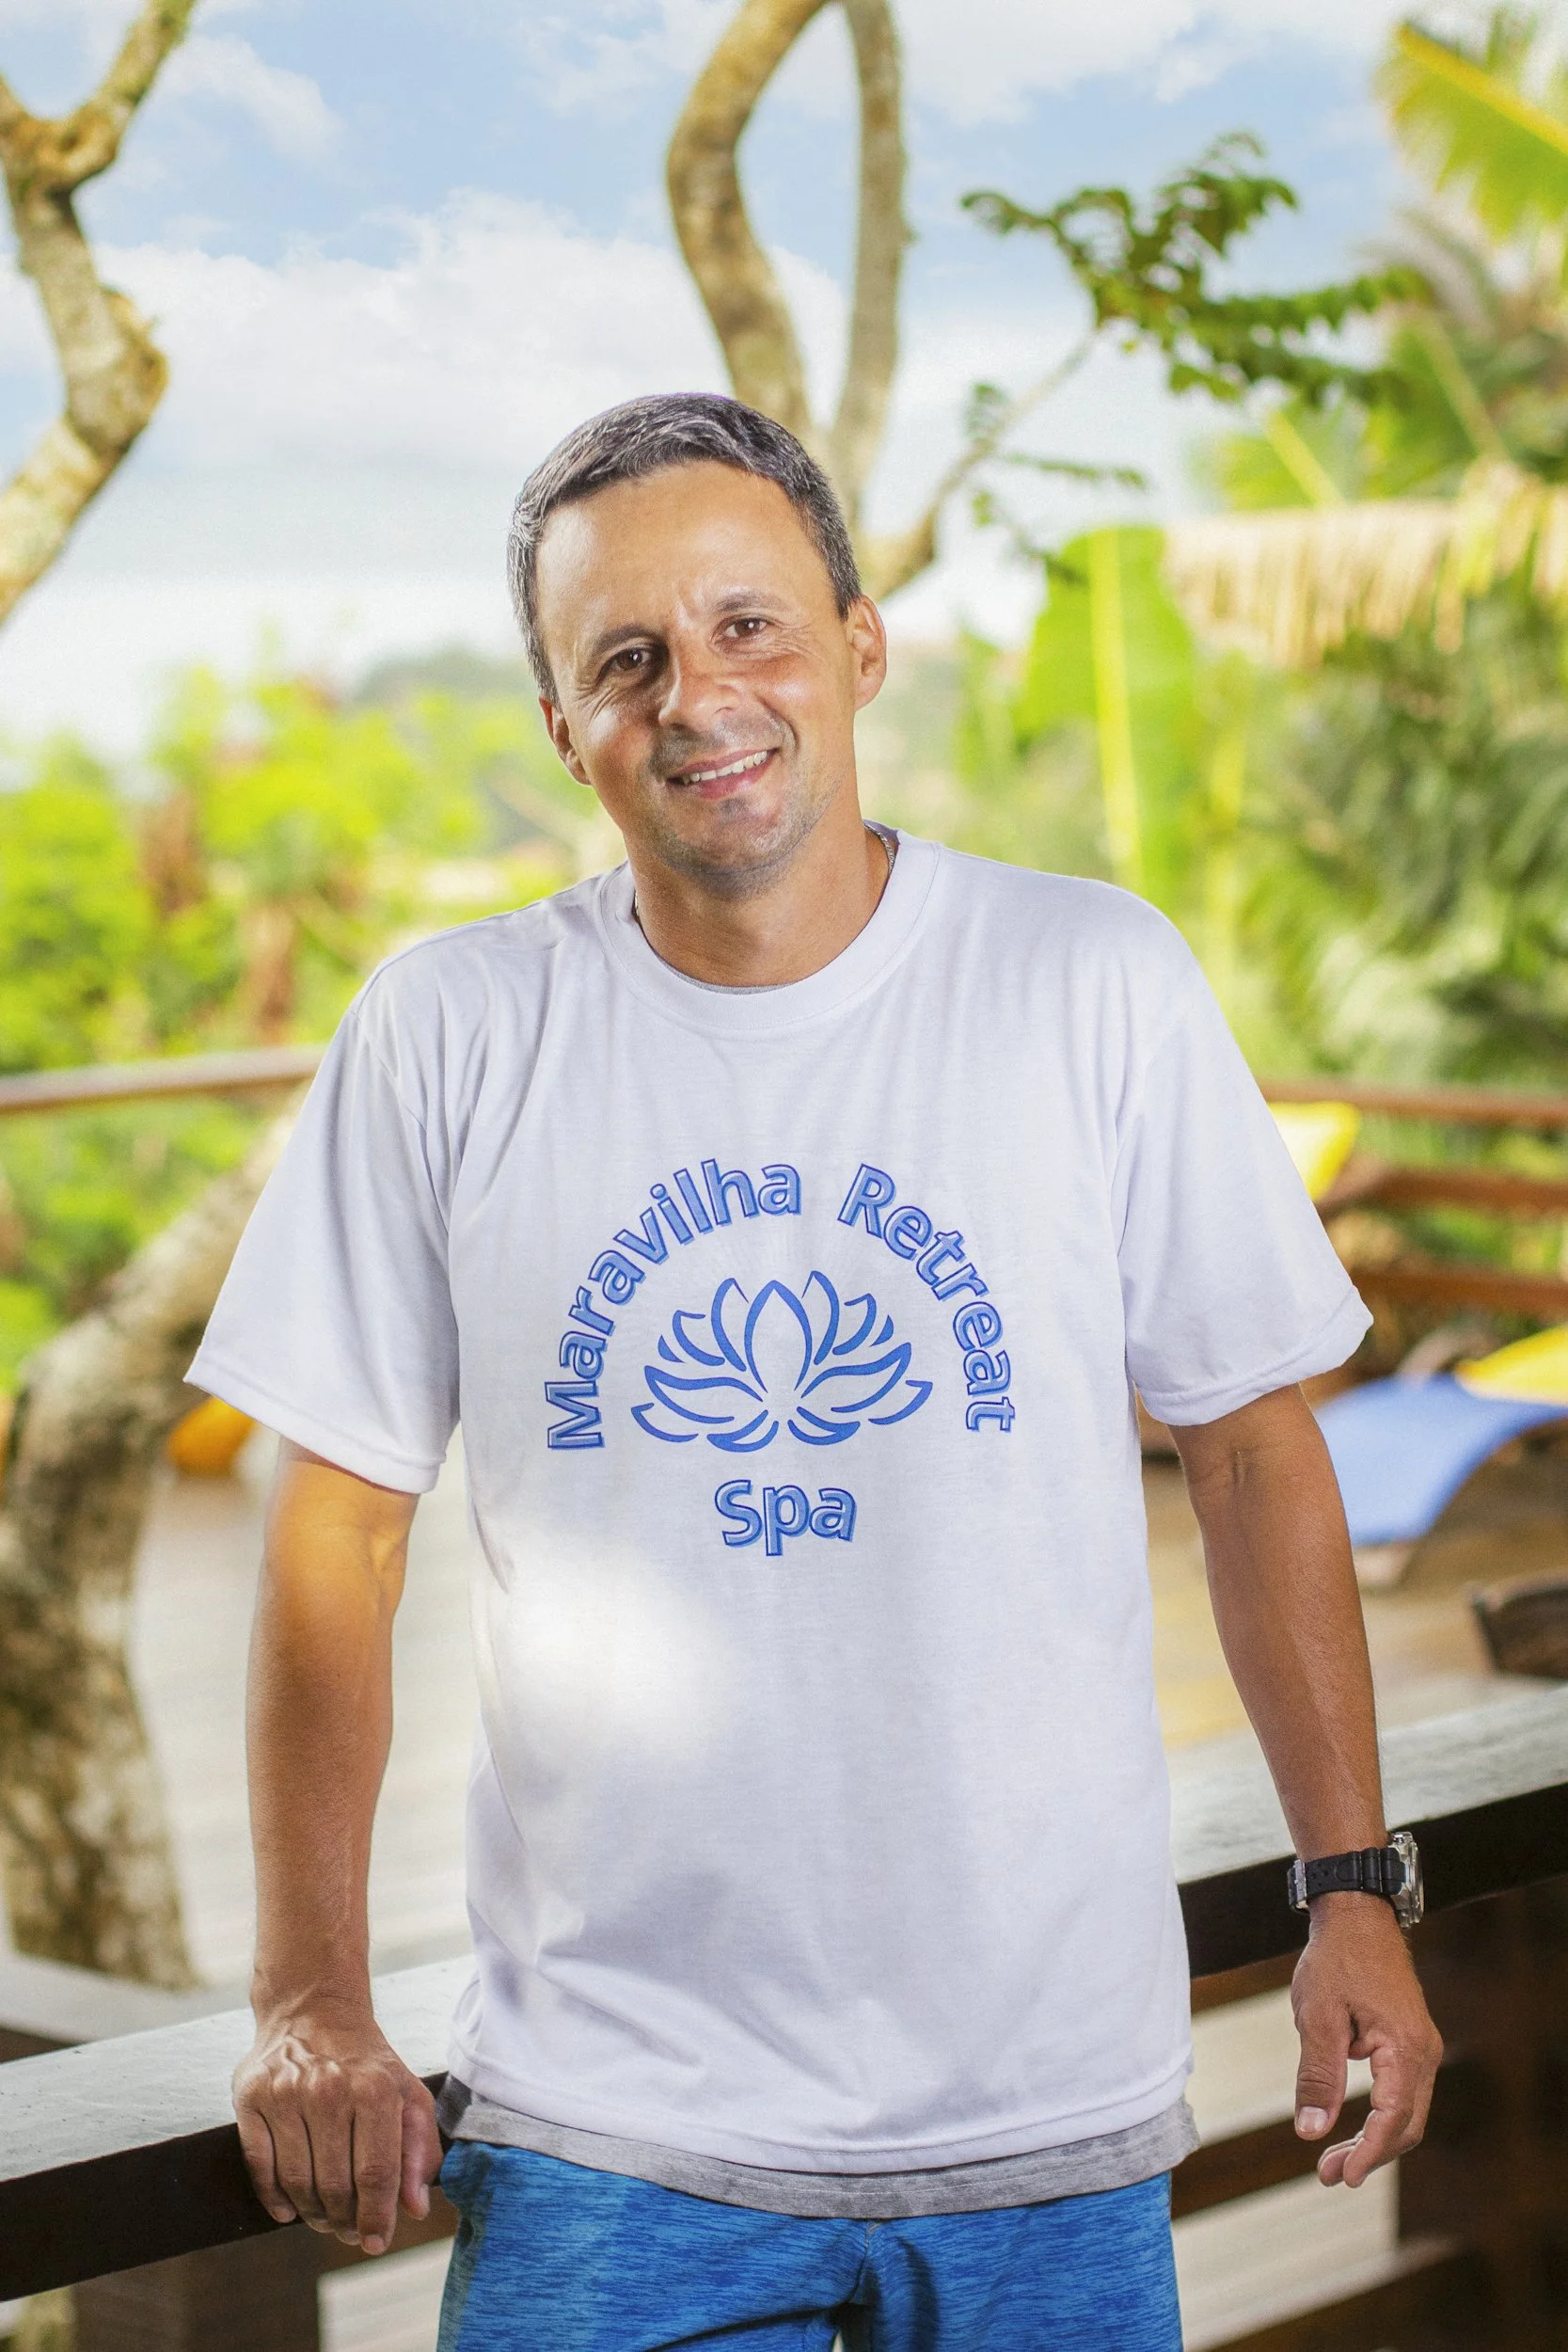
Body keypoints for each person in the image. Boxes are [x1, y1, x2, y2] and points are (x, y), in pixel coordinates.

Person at [197, 392, 1442, 2351]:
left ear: (857, 645)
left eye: (747, 624)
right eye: (625, 658)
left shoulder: (1086, 979)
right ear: (562, 727)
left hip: (1046, 2102)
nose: (698, 694)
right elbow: (330, 1533)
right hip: (612, 2118)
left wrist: (1347, 1886)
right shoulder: (450, 1031)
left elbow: (1251, 1442)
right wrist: (307, 1995)